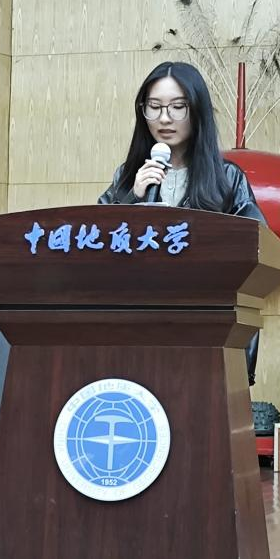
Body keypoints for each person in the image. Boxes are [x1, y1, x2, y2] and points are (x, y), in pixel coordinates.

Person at [98, 61, 265, 384]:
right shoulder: (128, 177)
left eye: (177, 107)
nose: (164, 118)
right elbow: (95, 242)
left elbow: (257, 248)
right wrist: (131, 198)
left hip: (208, 330)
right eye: (154, 107)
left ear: (196, 110)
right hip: (138, 329)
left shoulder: (227, 179)